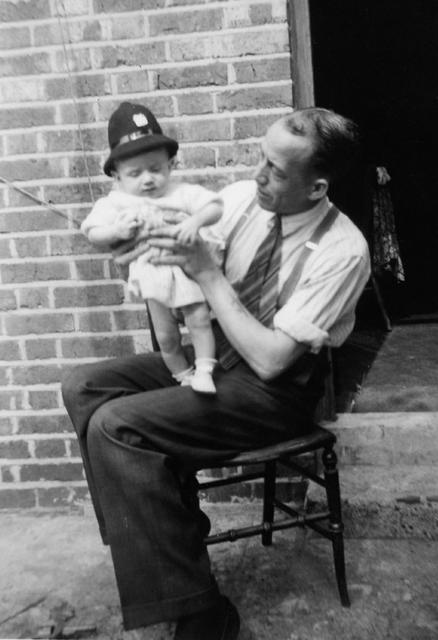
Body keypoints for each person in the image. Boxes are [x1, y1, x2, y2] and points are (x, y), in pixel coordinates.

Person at [62, 107, 371, 640]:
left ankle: (204, 614)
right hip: (212, 363)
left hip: (273, 393)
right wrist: (135, 242)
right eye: (260, 157)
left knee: (117, 427)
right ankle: (155, 538)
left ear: (317, 187)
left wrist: (205, 270)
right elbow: (163, 245)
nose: (257, 175)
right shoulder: (236, 202)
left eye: (274, 169)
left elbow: (273, 360)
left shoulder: (344, 250)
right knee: (84, 387)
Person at [81, 102, 224, 394]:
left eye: (156, 169)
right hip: (152, 277)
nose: (148, 179)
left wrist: (194, 222)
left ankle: (206, 370)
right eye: (135, 174)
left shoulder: (180, 193)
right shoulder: (115, 203)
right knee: (166, 337)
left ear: (171, 165)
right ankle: (183, 376)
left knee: (198, 321)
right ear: (117, 176)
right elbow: (93, 231)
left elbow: (214, 206)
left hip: (186, 272)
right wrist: (115, 231)